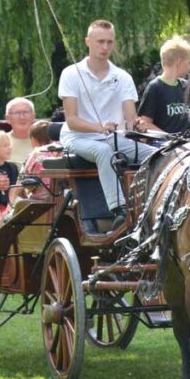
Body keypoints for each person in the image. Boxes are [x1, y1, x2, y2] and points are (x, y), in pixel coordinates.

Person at [58, 19, 156, 230]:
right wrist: (100, 128)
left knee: (157, 155)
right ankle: (119, 209)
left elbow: (130, 120)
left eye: (109, 42)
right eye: (100, 41)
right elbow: (72, 120)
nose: (105, 47)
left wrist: (136, 125)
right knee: (103, 151)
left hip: (114, 137)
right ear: (88, 42)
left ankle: (154, 204)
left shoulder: (122, 77)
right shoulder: (71, 74)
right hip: (78, 138)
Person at [136, 35, 190, 134]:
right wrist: (168, 137)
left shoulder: (186, 86)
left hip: (189, 143)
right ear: (179, 62)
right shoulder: (155, 87)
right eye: (189, 62)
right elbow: (145, 123)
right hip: (166, 146)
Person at [20, 120, 61, 201]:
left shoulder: (36, 154)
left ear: (34, 139)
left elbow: (22, 178)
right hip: (63, 197)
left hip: (40, 200)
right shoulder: (64, 149)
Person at [4, 97, 36, 165]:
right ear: (8, 118)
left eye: (25, 112)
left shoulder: (44, 141)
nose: (22, 117)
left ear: (33, 116)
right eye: (17, 113)